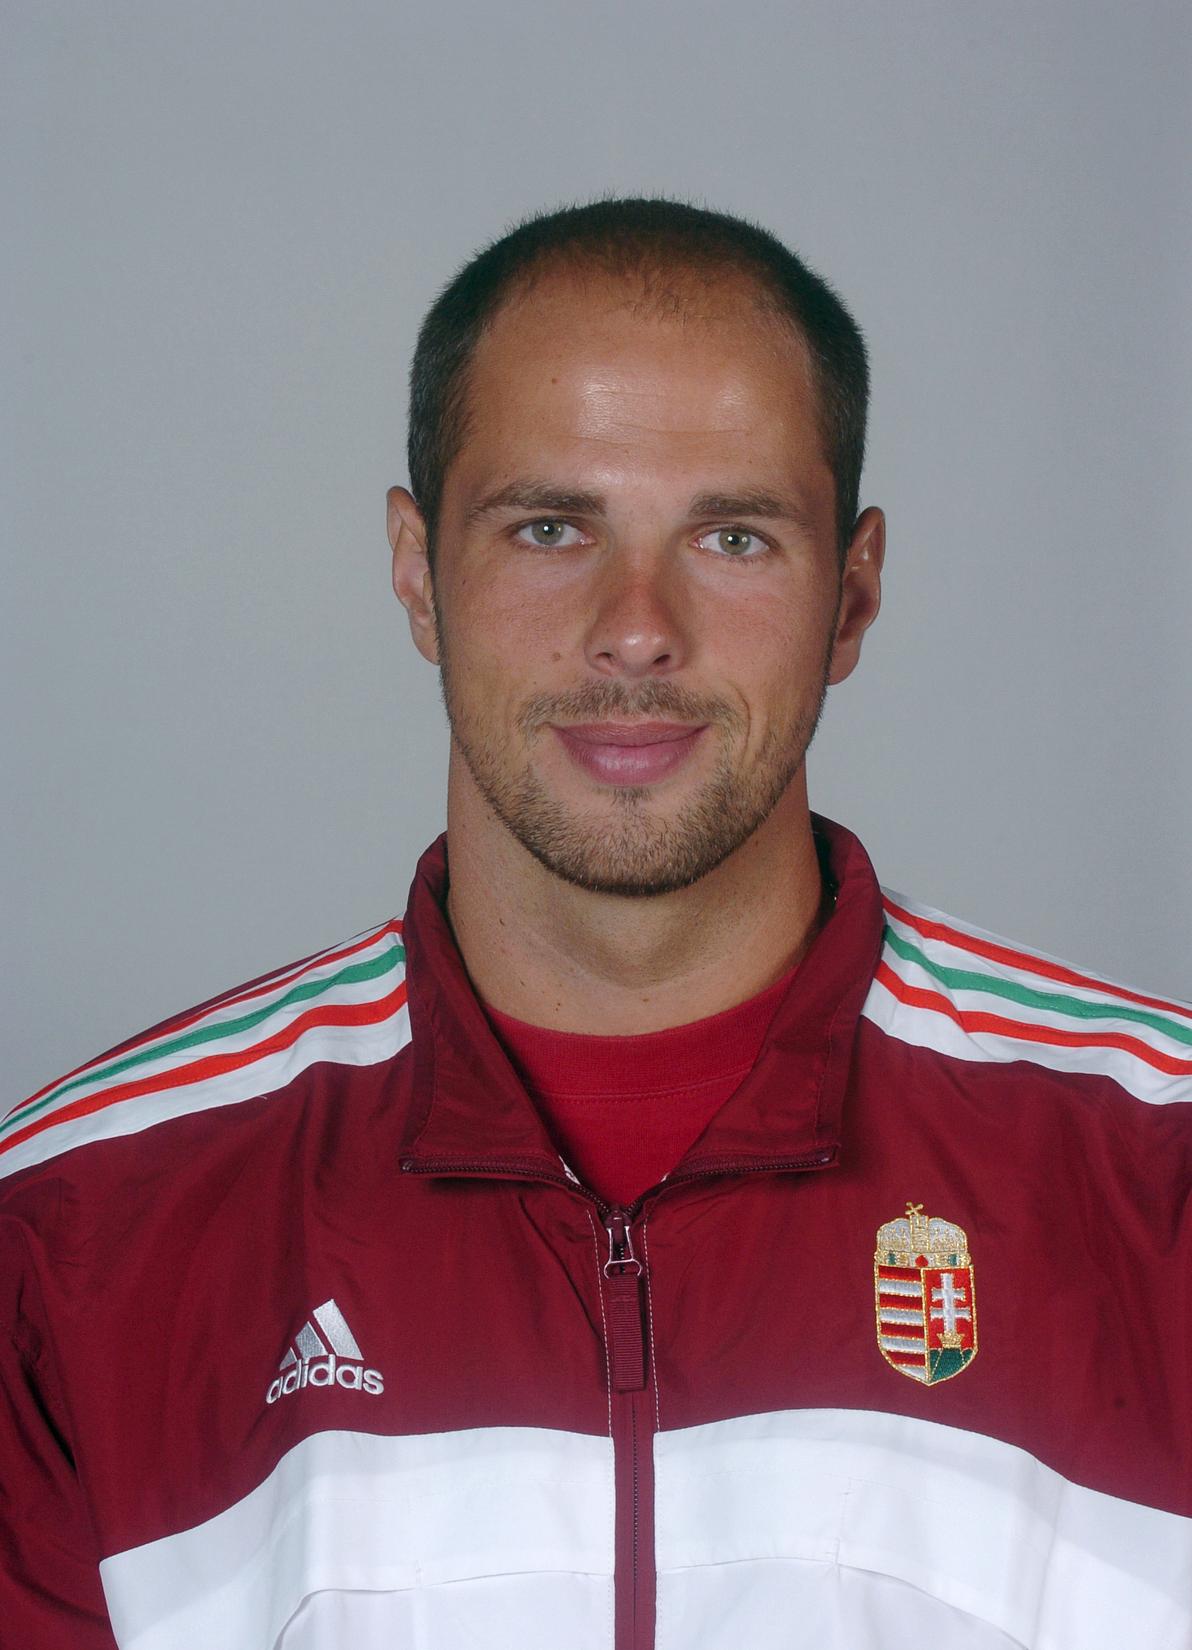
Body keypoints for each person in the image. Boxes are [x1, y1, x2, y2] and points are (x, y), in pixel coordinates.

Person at [2, 198, 1190, 1650]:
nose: (637, 627)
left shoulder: (1162, 1179)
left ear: (853, 592)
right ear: (417, 569)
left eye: (734, 535)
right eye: (551, 528)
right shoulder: (73, 1233)